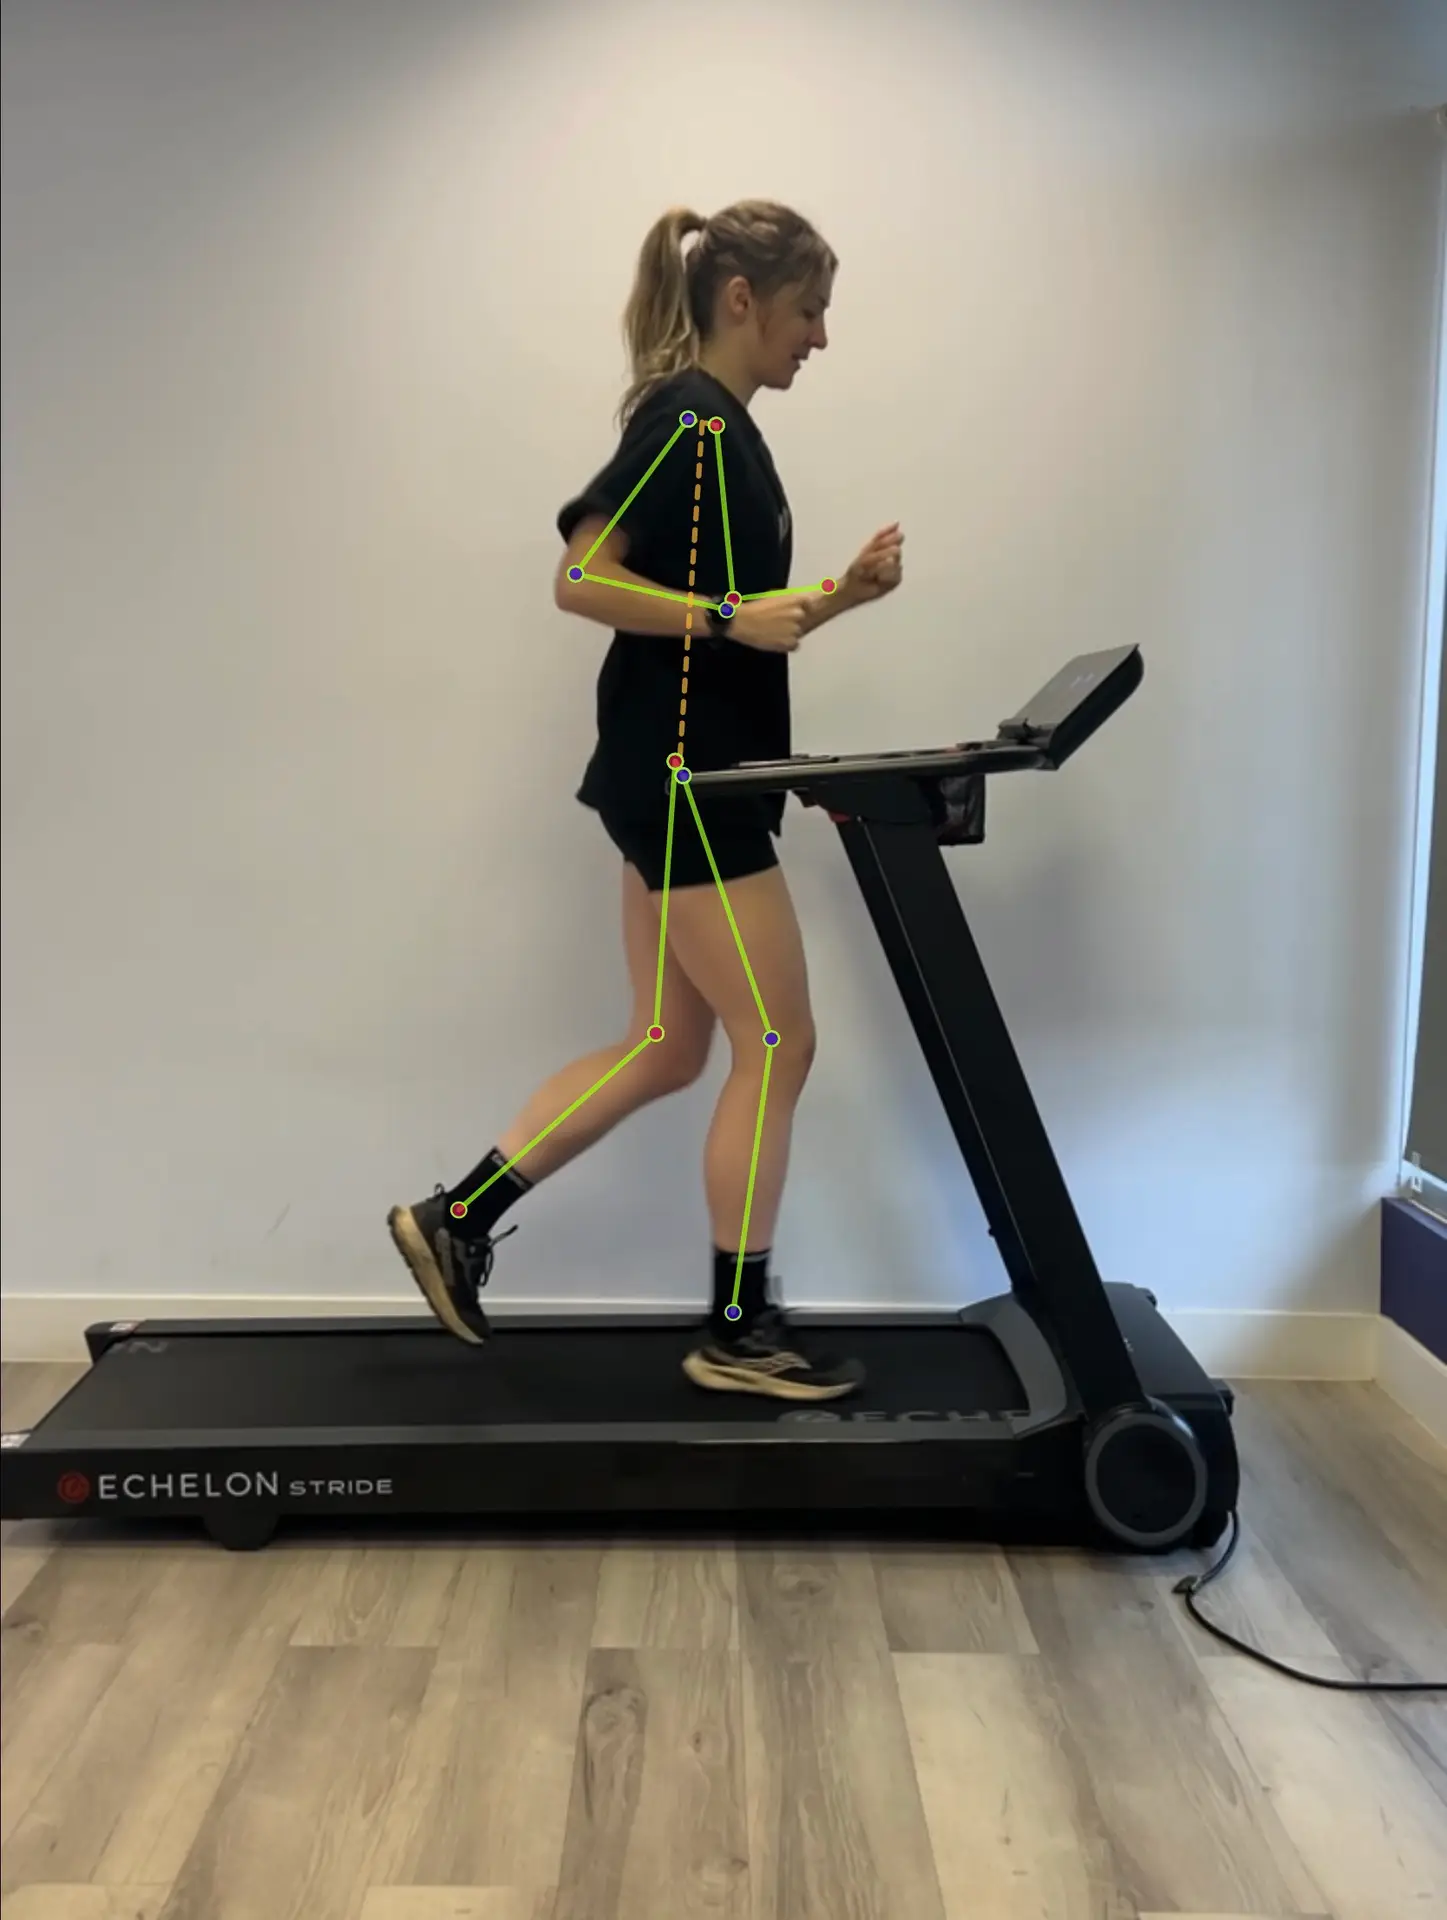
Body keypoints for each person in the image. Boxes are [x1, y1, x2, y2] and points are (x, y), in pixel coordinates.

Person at [389, 199, 903, 1400]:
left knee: (674, 1046)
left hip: (671, 773)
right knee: (779, 1045)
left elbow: (732, 625)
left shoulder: (727, 435)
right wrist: (734, 614)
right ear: (742, 301)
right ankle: (736, 1330)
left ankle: (456, 1217)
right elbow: (581, 576)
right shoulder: (689, 420)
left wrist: (837, 598)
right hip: (687, 784)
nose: (819, 337)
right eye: (809, 310)